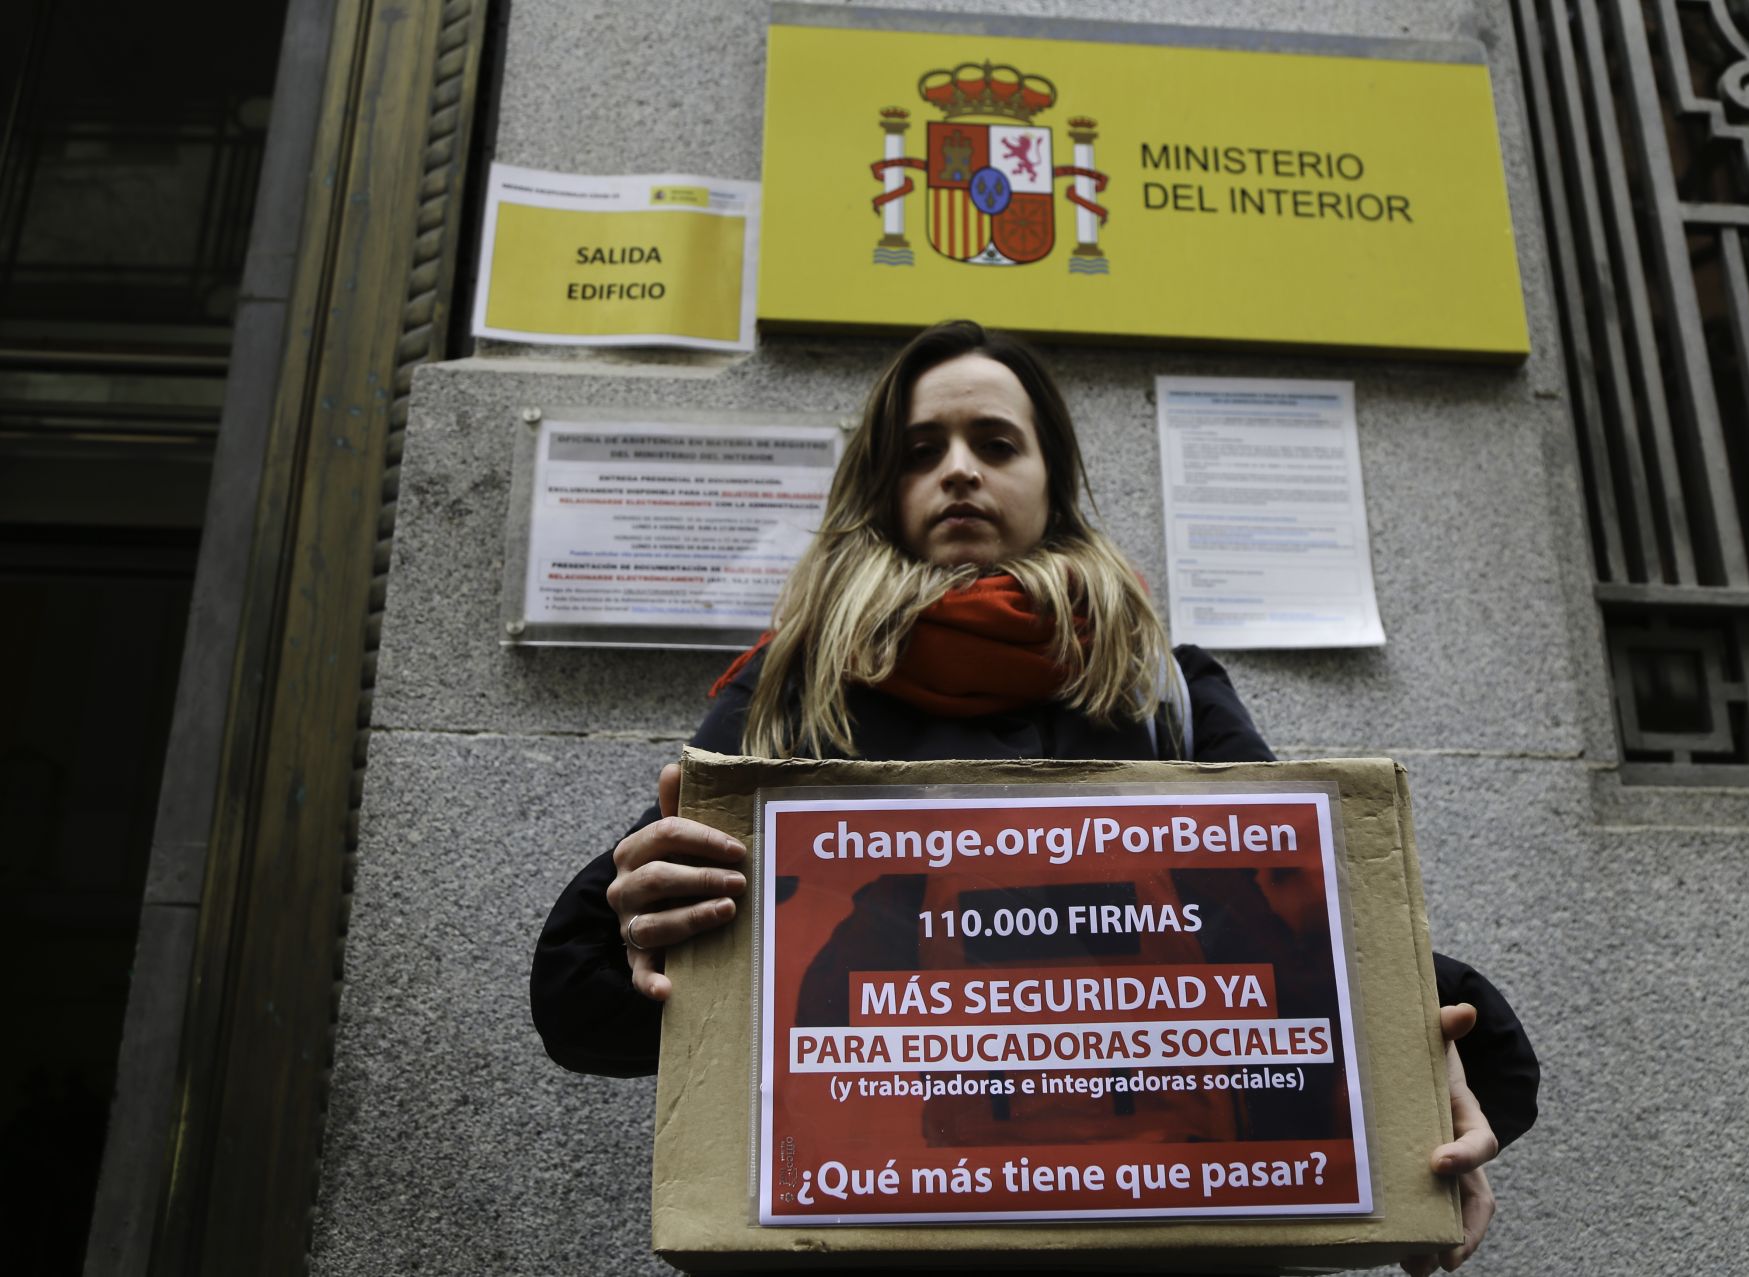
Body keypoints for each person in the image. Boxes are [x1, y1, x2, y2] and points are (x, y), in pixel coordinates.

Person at [531, 320, 1538, 1275]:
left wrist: (1424, 1048)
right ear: (880, 490)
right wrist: (645, 930)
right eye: (922, 448)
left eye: (995, 442)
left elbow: (1296, 943)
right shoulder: (788, 697)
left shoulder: (1162, 688)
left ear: (1051, 482)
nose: (959, 468)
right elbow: (583, 1001)